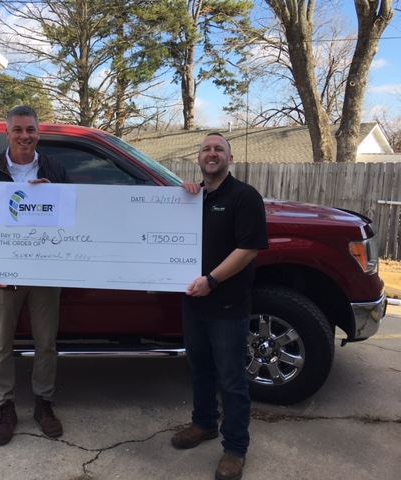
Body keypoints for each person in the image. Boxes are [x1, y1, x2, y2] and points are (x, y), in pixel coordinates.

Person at [0, 105, 70, 446]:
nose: (25, 136)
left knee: (46, 342)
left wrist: (55, 196)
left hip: (45, 271)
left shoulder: (55, 169)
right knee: (1, 343)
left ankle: (43, 403)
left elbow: (73, 218)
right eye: (18, 130)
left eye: (31, 130)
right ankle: (5, 406)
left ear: (40, 133)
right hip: (5, 270)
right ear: (6, 133)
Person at [172, 132, 268, 480]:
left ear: (230, 158)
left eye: (219, 149)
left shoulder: (245, 197)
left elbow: (249, 249)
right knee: (200, 370)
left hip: (227, 305)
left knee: (231, 380)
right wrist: (181, 198)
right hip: (193, 302)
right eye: (206, 149)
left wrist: (211, 280)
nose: (212, 154)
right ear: (198, 158)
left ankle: (235, 448)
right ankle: (203, 424)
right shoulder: (192, 199)